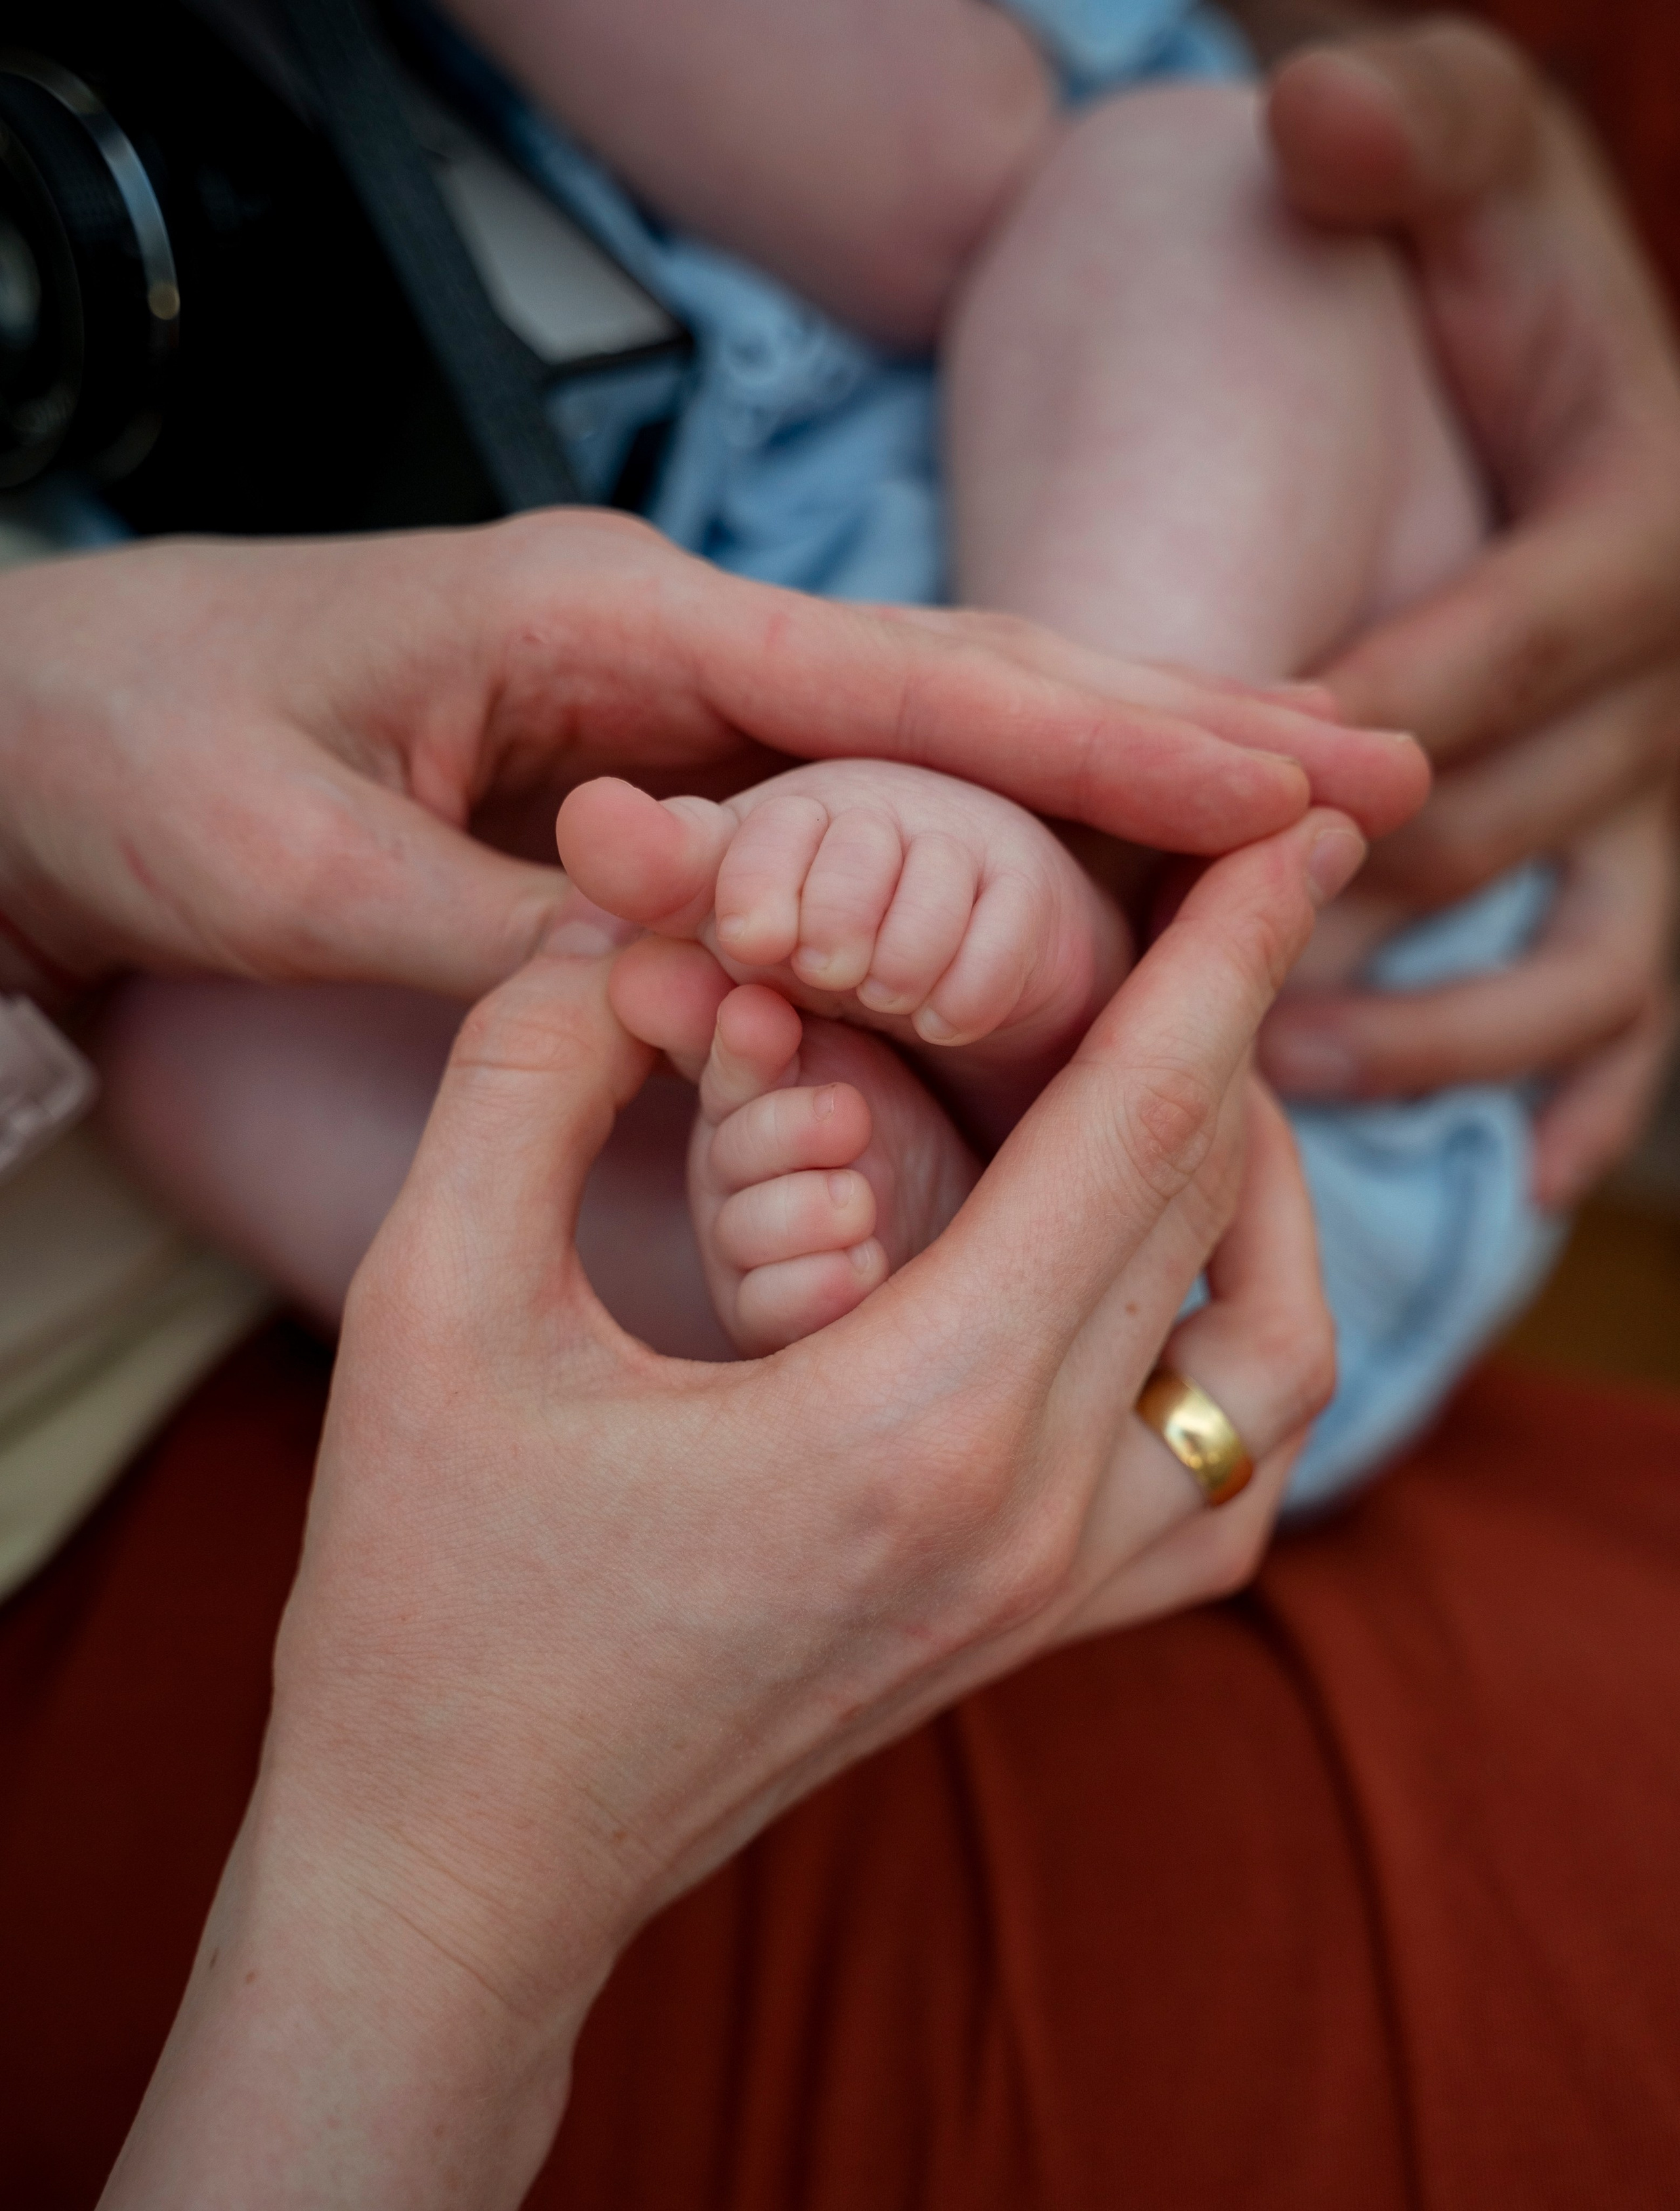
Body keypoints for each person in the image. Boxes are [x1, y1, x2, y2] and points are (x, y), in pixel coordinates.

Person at [93, 1, 1680, 1500]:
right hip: (719, 984)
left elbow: (919, 172)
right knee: (169, 1031)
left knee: (1203, 199)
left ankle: (1053, 823)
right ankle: (846, 1285)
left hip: (1299, 888)